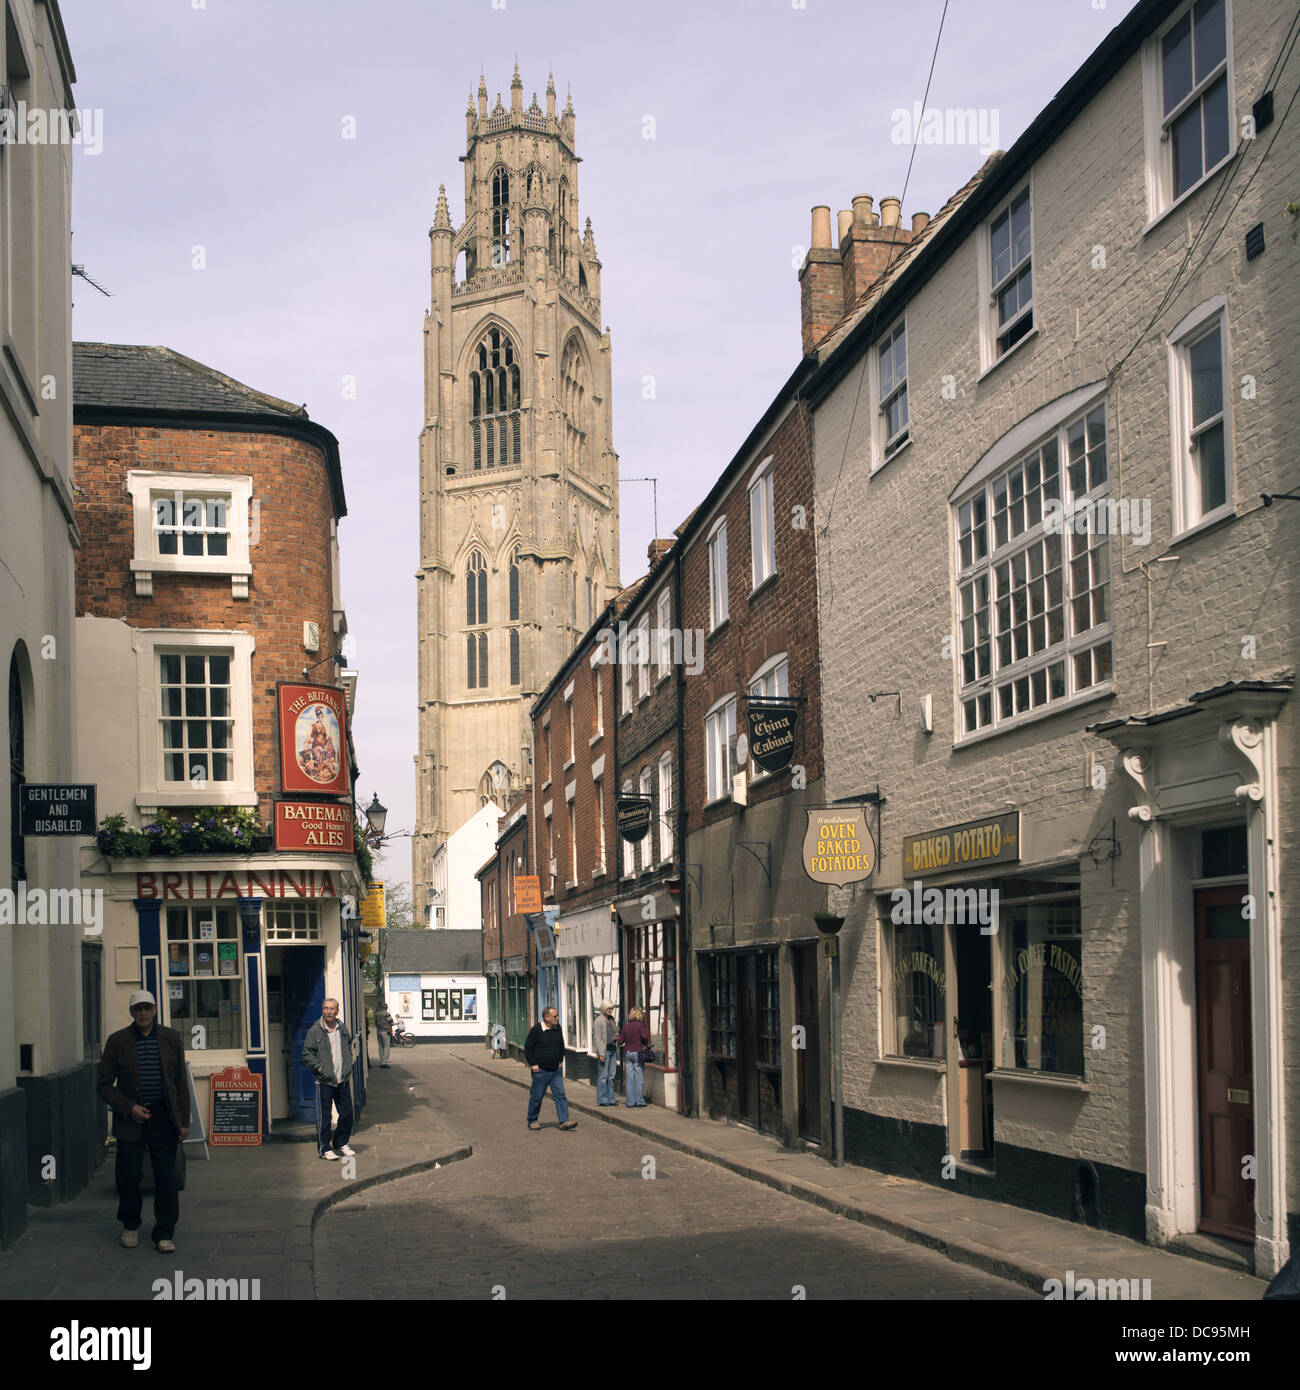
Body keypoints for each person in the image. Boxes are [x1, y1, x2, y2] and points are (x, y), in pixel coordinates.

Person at [97, 989, 190, 1252]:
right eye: (138, 1009)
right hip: (131, 1119)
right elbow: (104, 1085)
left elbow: (180, 1083)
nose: (143, 1013)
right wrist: (128, 1107)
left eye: (147, 1008)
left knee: (166, 1177)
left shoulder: (171, 1038)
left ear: (155, 1010)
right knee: (129, 1176)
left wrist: (184, 1121)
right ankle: (130, 1225)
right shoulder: (117, 1041)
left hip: (163, 1116)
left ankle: (164, 1232)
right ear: (132, 1013)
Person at [301, 997, 357, 1159]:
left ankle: (340, 1142)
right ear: (322, 1010)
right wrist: (319, 1068)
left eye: (331, 1009)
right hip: (324, 1081)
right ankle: (324, 1148)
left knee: (347, 1113)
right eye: (325, 1008)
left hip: (342, 1080)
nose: (328, 1011)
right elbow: (307, 1053)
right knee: (325, 1117)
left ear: (337, 1011)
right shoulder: (315, 1030)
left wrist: (348, 1065)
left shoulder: (342, 1028)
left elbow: (348, 1046)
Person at [523, 1007, 577, 1131]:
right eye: (555, 1016)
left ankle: (564, 1121)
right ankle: (532, 1120)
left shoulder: (558, 1029)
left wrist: (560, 1060)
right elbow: (528, 1048)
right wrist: (533, 1064)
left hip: (555, 1071)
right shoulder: (536, 1030)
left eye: (557, 1016)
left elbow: (561, 1045)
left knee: (560, 1095)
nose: (557, 1018)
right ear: (547, 1018)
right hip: (540, 1071)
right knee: (537, 1097)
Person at [619, 1006, 651, 1107]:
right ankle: (639, 1101)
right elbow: (644, 1037)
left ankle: (630, 1102)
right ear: (639, 1014)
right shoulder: (640, 1025)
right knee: (638, 1078)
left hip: (628, 1053)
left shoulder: (626, 1027)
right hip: (637, 1052)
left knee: (629, 1078)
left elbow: (620, 1041)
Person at [592, 1000, 619, 1105]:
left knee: (612, 1076)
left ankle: (611, 1099)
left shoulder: (612, 1019)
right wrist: (601, 1054)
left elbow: (615, 1031)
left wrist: (616, 1037)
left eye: (612, 1009)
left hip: (613, 1050)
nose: (611, 1011)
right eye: (609, 1008)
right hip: (605, 1051)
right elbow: (597, 1038)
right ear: (603, 1008)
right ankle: (603, 1099)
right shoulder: (598, 1021)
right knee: (604, 1076)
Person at [374, 999, 393, 1067]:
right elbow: (391, 1022)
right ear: (386, 1007)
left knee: (380, 1046)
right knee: (386, 1046)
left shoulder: (377, 1014)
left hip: (379, 1031)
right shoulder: (387, 1014)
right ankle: (384, 1062)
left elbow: (375, 1023)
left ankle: (381, 1060)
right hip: (386, 1031)